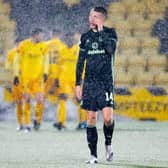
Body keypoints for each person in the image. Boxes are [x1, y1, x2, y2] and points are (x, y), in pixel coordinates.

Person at [75, 6, 117, 163]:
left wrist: (101, 32)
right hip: (90, 83)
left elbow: (110, 50)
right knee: (91, 118)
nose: (91, 19)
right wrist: (78, 83)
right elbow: (80, 62)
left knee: (107, 119)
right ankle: (93, 155)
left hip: (105, 82)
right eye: (91, 16)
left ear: (102, 19)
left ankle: (108, 144)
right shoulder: (85, 37)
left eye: (95, 16)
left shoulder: (110, 33)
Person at [13, 28, 49, 132]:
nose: (42, 37)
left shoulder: (44, 46)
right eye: (40, 35)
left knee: (40, 100)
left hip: (38, 79)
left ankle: (37, 120)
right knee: (26, 99)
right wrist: (16, 74)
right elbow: (17, 60)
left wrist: (46, 72)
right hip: (25, 78)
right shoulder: (23, 45)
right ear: (34, 35)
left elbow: (46, 60)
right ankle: (27, 124)